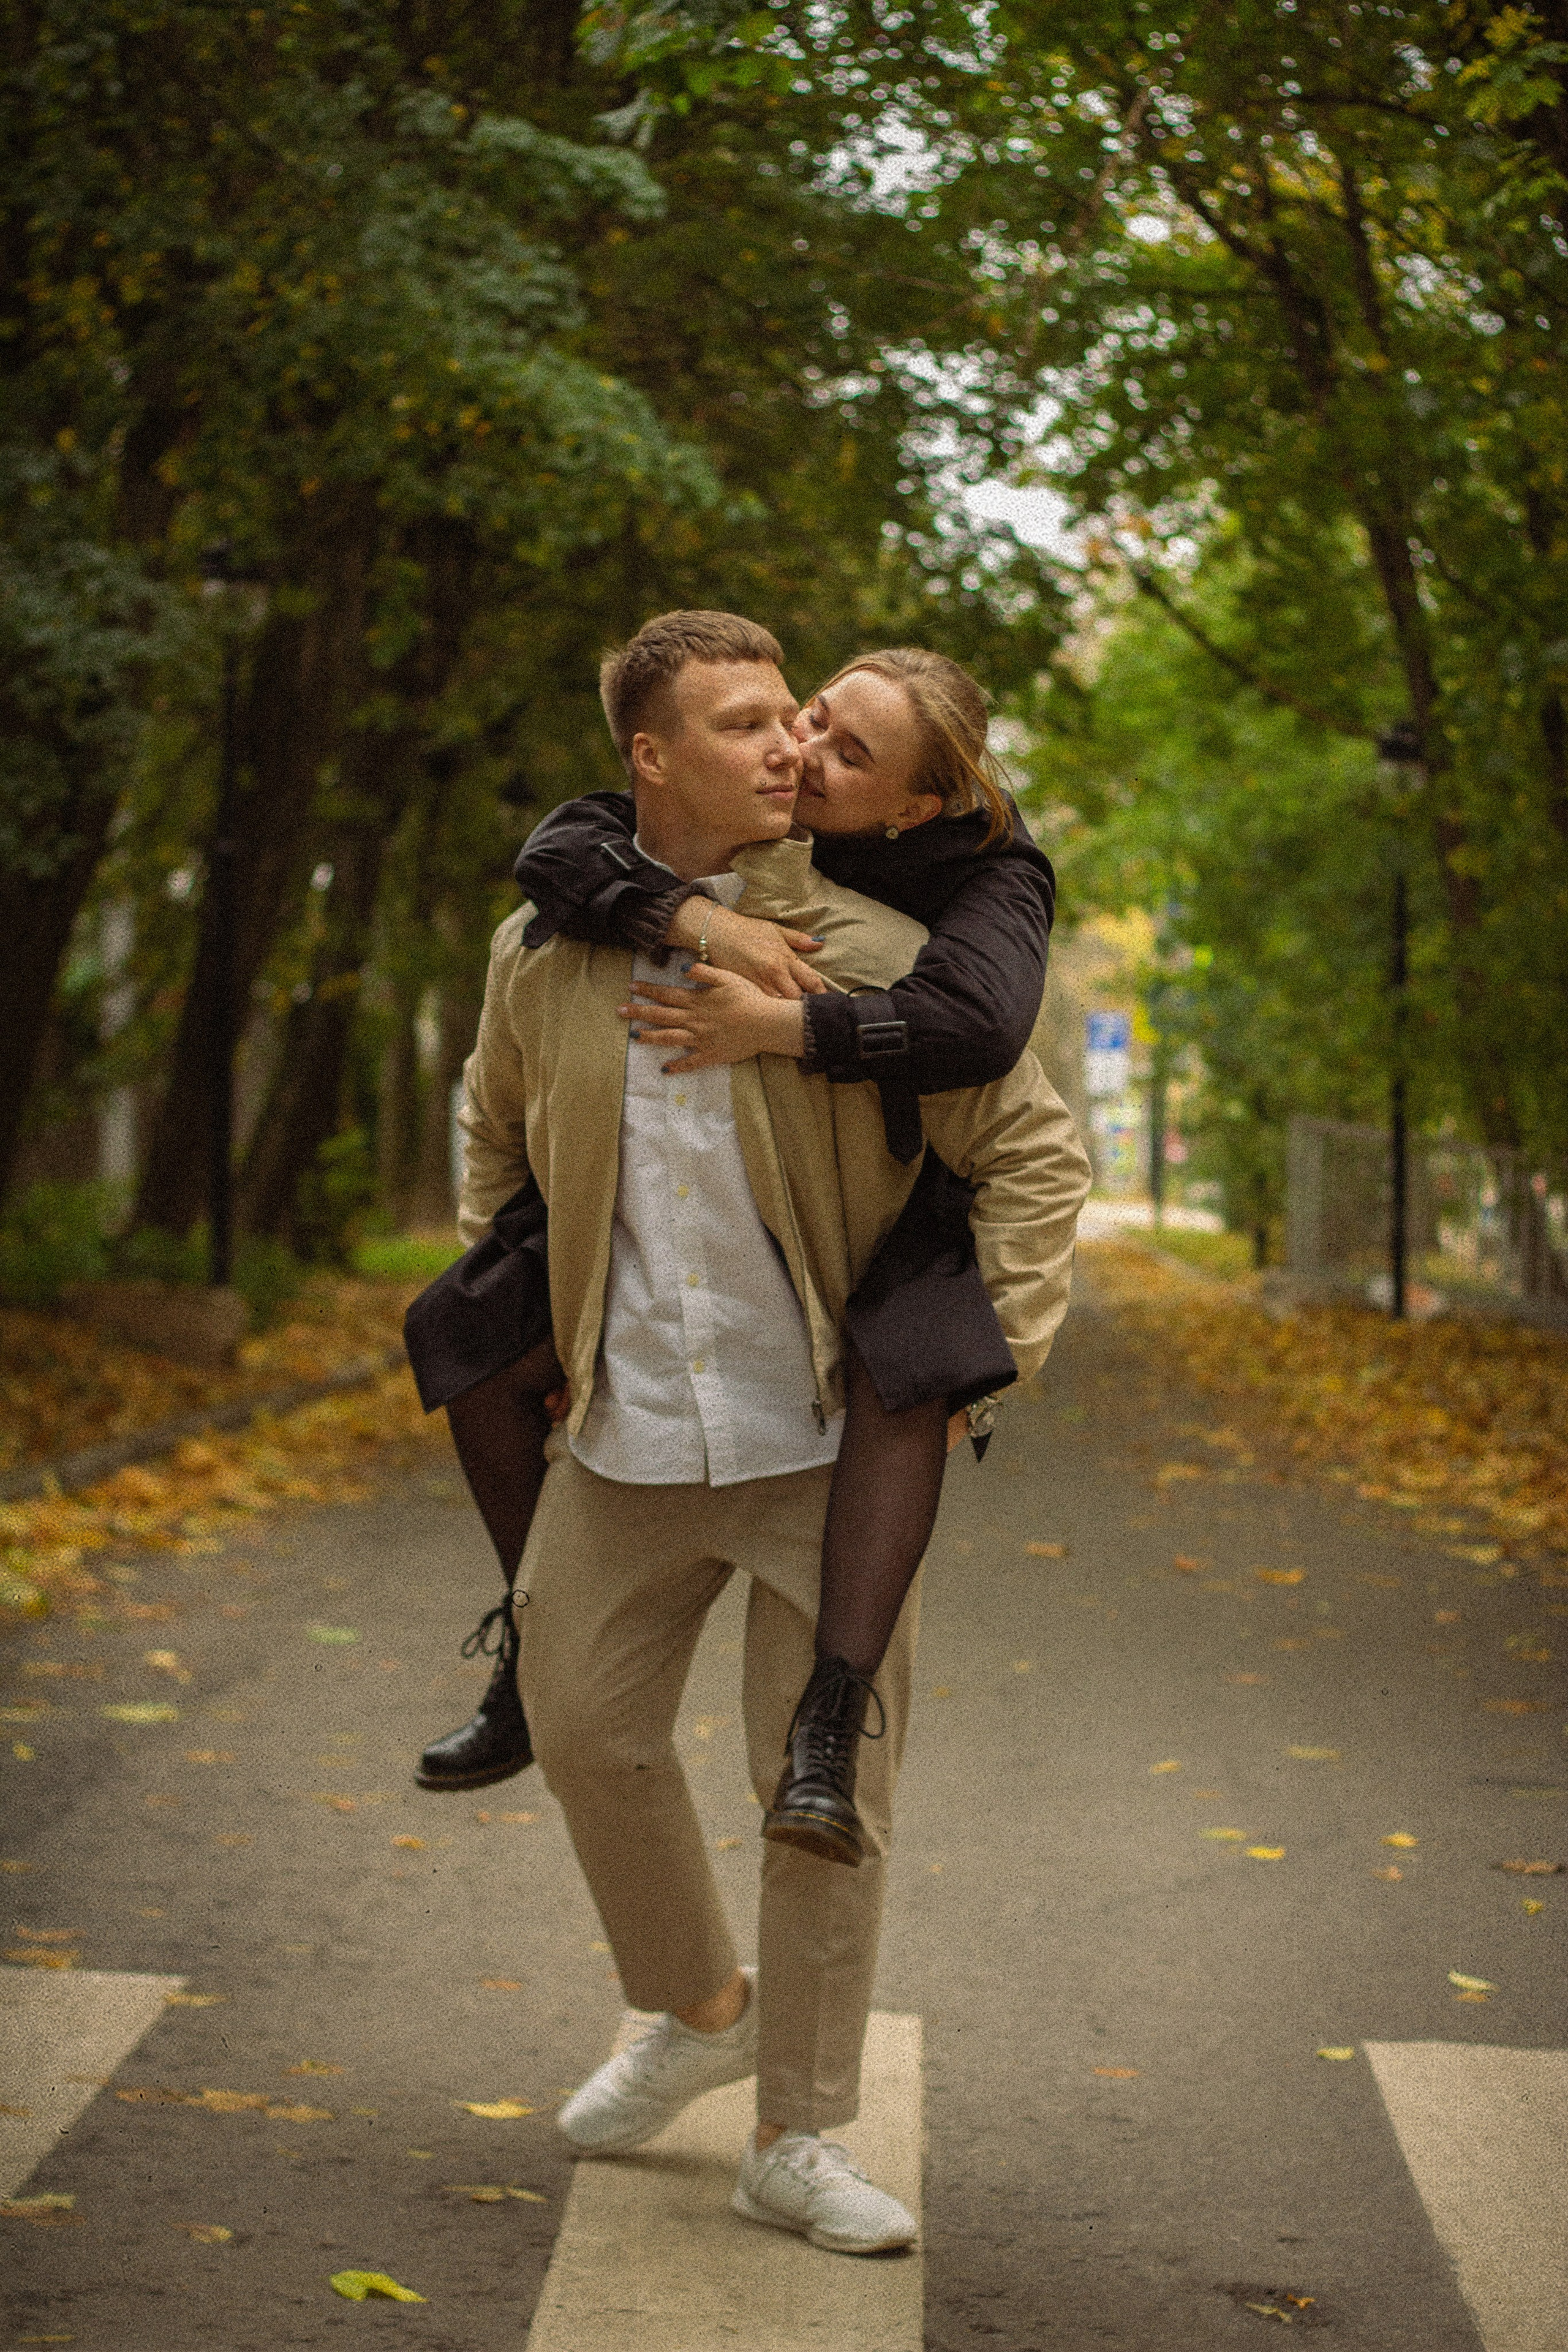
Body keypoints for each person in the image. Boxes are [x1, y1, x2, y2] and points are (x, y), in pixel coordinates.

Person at [453, 608, 1088, 2251]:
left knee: (824, 1792)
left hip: (825, 1443)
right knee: (581, 1725)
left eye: (791, 721)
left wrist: (975, 1363)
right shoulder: (544, 953)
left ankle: (799, 2133)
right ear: (648, 758)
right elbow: (495, 1126)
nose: (784, 748)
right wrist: (513, 1302)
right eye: (742, 725)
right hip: (625, 1434)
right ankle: (693, 2008)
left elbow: (1036, 1157)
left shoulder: (872, 952)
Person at [408, 646, 1060, 1868]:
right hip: (641, 1373)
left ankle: (832, 1709)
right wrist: (697, 913)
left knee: (906, 1367)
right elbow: (555, 861)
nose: (801, 750)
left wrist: (780, 1022)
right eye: (802, 718)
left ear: (911, 805)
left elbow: (981, 1036)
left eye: (841, 750)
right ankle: (527, 1637)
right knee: (459, 1321)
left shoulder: (975, 883)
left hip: (898, 1203)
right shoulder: (592, 897)